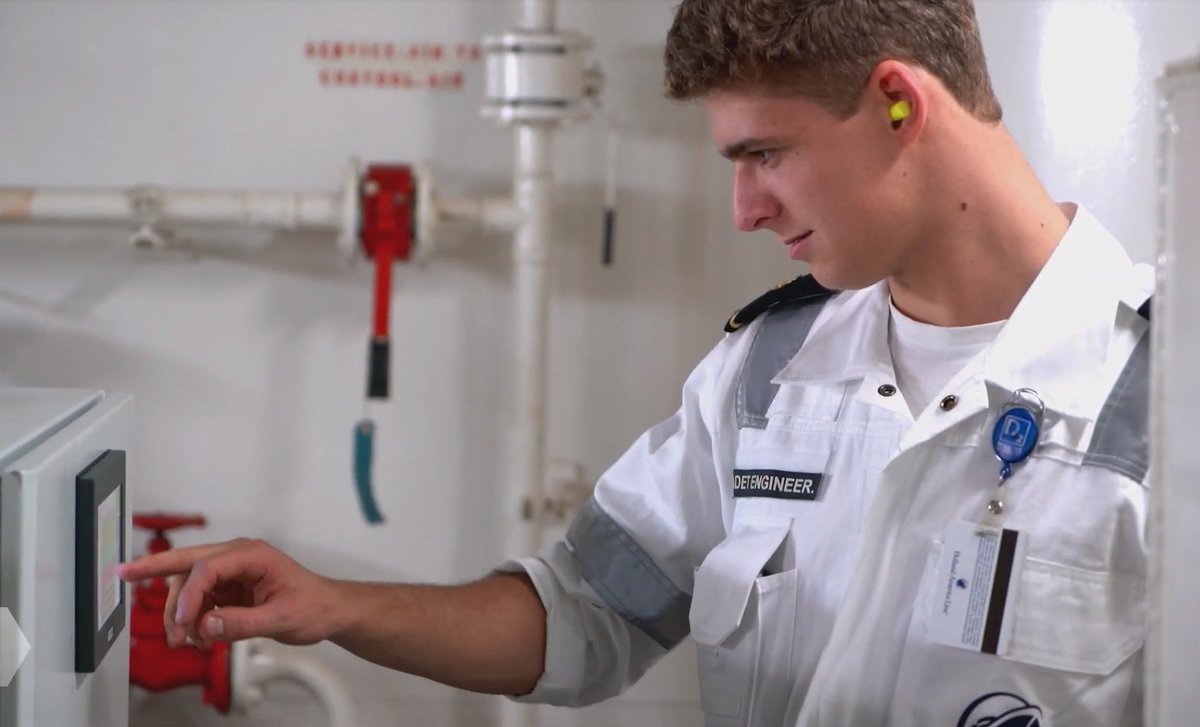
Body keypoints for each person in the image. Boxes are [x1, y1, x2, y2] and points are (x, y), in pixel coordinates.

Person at [120, 0, 1153, 724]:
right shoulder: (771, 374)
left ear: (897, 102)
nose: (744, 209)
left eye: (764, 154)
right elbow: (584, 611)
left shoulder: (1165, 396)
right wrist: (336, 605)